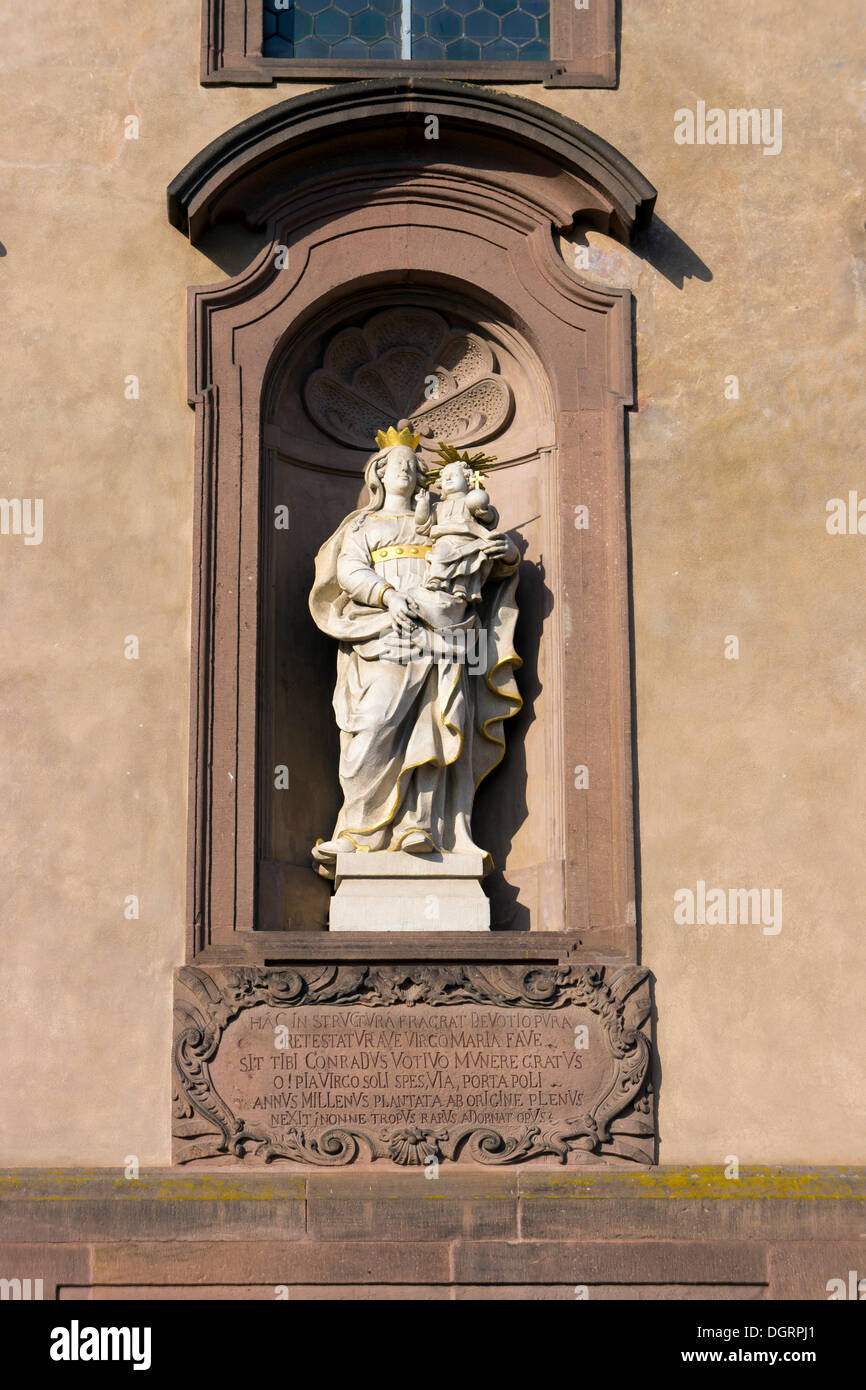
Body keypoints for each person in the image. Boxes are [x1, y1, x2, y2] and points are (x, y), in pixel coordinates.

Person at [308, 427, 522, 878]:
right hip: (383, 631)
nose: (405, 471)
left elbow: (469, 561)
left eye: (412, 465)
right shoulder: (363, 526)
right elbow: (349, 571)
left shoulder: (439, 519)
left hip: (440, 636)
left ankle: (422, 826)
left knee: (435, 720)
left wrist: (506, 554)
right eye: (396, 465)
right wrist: (387, 595)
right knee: (374, 723)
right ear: (378, 476)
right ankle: (358, 832)